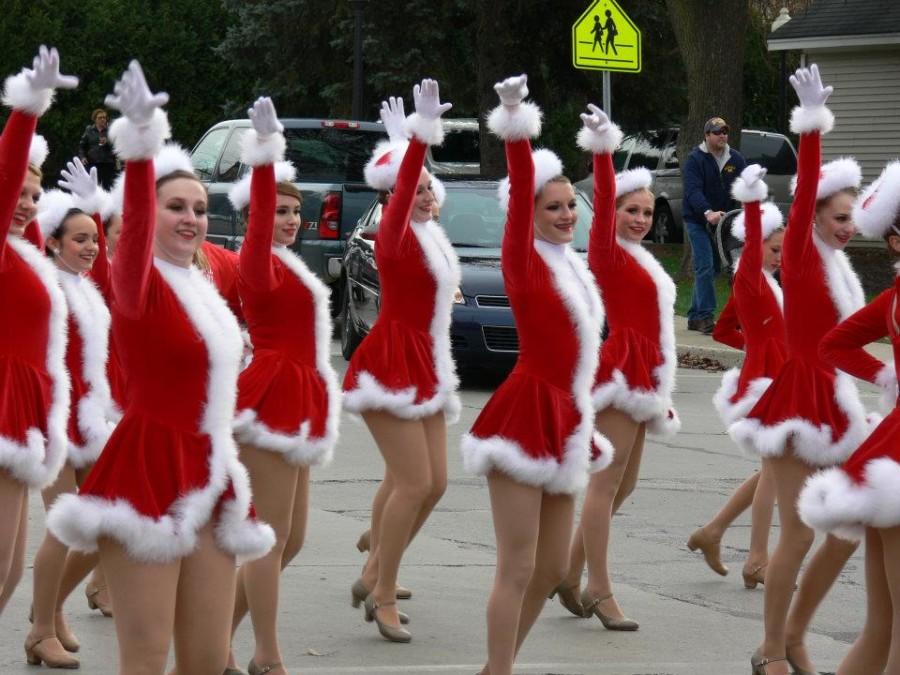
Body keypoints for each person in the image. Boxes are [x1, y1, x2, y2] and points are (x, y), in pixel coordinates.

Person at [47, 60, 274, 675]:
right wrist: (142, 143)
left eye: (200, 208)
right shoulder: (135, 279)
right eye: (177, 206)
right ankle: (46, 616)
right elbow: (138, 223)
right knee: (145, 659)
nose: (192, 218)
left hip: (211, 469)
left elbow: (255, 251)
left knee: (203, 661)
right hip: (147, 469)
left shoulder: (204, 285)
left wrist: (265, 162)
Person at [462, 77, 610, 675]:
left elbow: (602, 217)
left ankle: (497, 667)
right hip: (525, 413)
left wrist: (601, 150)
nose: (566, 215)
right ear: (529, 214)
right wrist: (517, 120)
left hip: (569, 417)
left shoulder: (574, 263)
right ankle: (499, 670)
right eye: (553, 207)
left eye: (570, 204)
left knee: (551, 570)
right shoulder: (522, 259)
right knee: (518, 567)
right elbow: (523, 190)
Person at [728, 65, 871, 675]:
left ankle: (793, 635)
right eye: (837, 217)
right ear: (813, 217)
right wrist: (810, 124)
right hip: (796, 403)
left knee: (845, 527)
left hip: (835, 401)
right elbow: (808, 182)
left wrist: (882, 375)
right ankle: (772, 649)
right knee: (798, 534)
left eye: (852, 218)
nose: (847, 226)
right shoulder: (805, 256)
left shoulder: (841, 267)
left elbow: (848, 343)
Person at [221, 96, 340, 674]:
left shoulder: (291, 262)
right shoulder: (256, 259)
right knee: (266, 538)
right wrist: (267, 160)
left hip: (301, 401)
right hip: (269, 397)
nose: (292, 219)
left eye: (299, 212)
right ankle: (265, 655)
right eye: (282, 212)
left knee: (289, 541)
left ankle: (215, 634)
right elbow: (262, 214)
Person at [342, 79, 459, 643]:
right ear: (392, 197)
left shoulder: (429, 234)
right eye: (416, 192)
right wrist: (414, 140)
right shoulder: (391, 235)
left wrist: (410, 146)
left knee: (432, 484)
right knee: (413, 483)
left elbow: (419, 184)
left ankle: (374, 566)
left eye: (431, 192)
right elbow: (406, 180)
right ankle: (382, 590)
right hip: (389, 360)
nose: (427, 198)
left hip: (426, 362)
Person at [555, 107, 679, 628]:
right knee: (606, 486)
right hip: (622, 373)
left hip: (647, 373)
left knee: (623, 486)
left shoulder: (643, 258)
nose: (640, 219)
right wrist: (603, 151)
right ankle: (600, 589)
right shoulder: (606, 252)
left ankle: (569, 571)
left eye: (648, 212)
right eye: (633, 210)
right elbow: (602, 202)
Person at [800, 159, 900, 675]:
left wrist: (887, 374)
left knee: (882, 629)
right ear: (895, 241)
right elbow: (833, 343)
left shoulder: (893, 297)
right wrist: (886, 374)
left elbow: (836, 343)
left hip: (890, 457)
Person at [25, 187, 119, 668]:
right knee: (63, 526)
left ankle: (52, 607)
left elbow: (104, 271)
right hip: (55, 417)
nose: (90, 248)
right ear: (53, 241)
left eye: (94, 241)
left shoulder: (86, 286)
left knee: (103, 524)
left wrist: (96, 209)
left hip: (93, 417)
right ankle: (42, 629)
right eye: (79, 239)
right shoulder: (45, 286)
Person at [0, 46, 77, 621]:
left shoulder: (27, 258)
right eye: (18, 195)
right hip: (3, 410)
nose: (28, 204)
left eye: (35, 194)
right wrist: (28, 111)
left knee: (6, 575)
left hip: (26, 417)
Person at [687, 165, 785, 587]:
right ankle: (758, 559)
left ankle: (712, 532)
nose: (780, 257)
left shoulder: (768, 284)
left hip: (778, 373)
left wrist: (758, 344)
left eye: (782, 251)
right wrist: (751, 197)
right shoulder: (748, 275)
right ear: (752, 245)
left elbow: (726, 328)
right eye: (774, 249)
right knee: (776, 472)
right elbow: (738, 328)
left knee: (773, 471)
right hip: (768, 381)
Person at [682, 116, 747, 334]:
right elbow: (693, 191)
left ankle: (693, 315)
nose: (722, 136)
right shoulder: (695, 159)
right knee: (705, 265)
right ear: (707, 135)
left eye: (725, 132)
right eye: (717, 132)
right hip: (698, 221)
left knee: (715, 268)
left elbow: (745, 186)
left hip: (724, 222)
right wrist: (707, 212)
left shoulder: (735, 159)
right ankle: (705, 317)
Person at [79, 108, 117, 189]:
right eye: (100, 118)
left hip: (107, 164)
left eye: (104, 117)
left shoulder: (110, 130)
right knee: (94, 187)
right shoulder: (89, 130)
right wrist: (82, 157)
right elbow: (82, 146)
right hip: (93, 164)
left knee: (107, 188)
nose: (103, 119)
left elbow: (116, 146)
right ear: (95, 119)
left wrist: (107, 143)